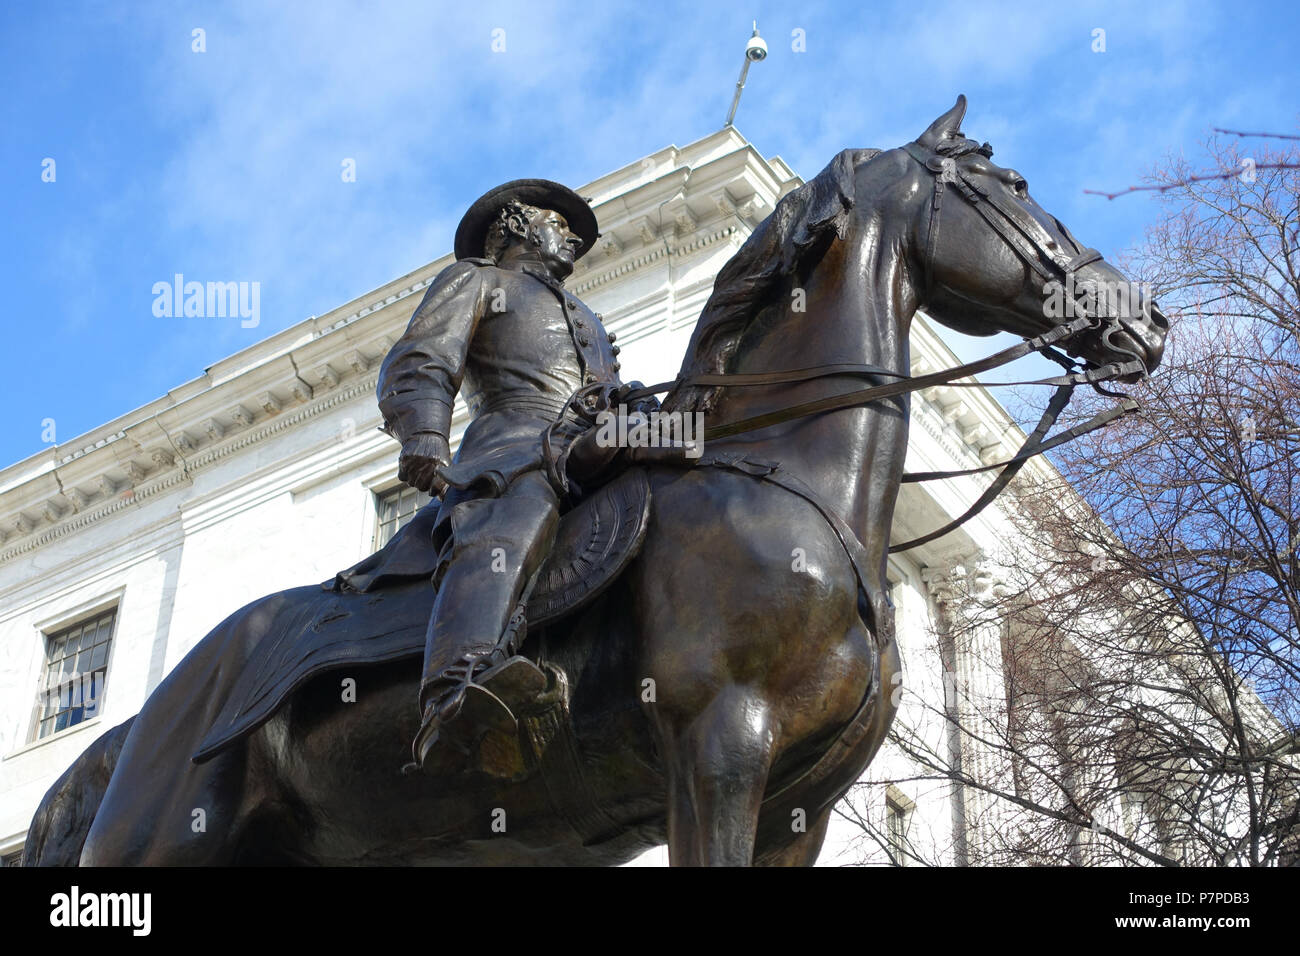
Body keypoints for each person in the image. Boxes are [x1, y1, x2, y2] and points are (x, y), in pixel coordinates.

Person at [332, 179, 628, 770]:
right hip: (516, 442)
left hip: (596, 439)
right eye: (557, 222)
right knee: (516, 510)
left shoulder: (587, 317)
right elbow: (421, 358)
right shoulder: (478, 280)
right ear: (516, 226)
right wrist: (424, 432)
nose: (571, 235)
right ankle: (457, 688)